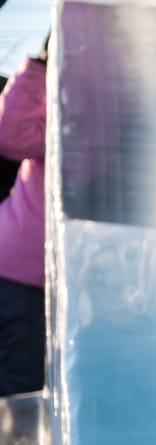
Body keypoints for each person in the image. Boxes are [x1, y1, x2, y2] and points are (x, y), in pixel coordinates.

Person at [0, 55, 45, 398]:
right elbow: (10, 136)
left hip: (21, 264)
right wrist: (38, 68)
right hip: (23, 273)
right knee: (20, 388)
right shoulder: (60, 117)